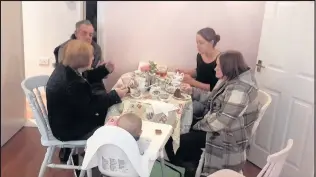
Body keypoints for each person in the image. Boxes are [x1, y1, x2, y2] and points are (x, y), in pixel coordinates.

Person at [168, 50, 260, 177]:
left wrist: (197, 126)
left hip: (227, 136)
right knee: (176, 130)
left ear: (228, 67)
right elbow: (213, 98)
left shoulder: (240, 90)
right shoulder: (229, 77)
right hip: (215, 124)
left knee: (175, 142)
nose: (215, 68)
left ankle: (190, 169)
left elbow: (221, 121)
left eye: (218, 65)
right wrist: (193, 91)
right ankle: (190, 164)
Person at [46, 39, 128, 166]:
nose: (94, 57)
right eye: (91, 56)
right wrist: (115, 95)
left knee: (110, 111)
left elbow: (86, 76)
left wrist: (105, 69)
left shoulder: (66, 70)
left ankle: (96, 155)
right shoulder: (74, 84)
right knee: (115, 123)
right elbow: (92, 107)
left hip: (64, 121)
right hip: (68, 130)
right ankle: (108, 162)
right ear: (81, 60)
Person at [53, 19, 108, 93]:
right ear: (76, 33)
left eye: (90, 35)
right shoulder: (65, 48)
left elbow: (100, 73)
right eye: (84, 33)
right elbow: (65, 74)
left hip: (94, 86)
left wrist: (104, 69)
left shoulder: (96, 49)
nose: (88, 37)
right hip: (72, 88)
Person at [176, 27, 221, 92]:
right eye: (197, 42)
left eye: (201, 43)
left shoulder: (220, 60)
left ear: (211, 42)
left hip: (207, 96)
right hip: (195, 91)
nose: (198, 46)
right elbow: (200, 71)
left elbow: (215, 88)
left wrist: (192, 82)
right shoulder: (200, 55)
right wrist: (185, 71)